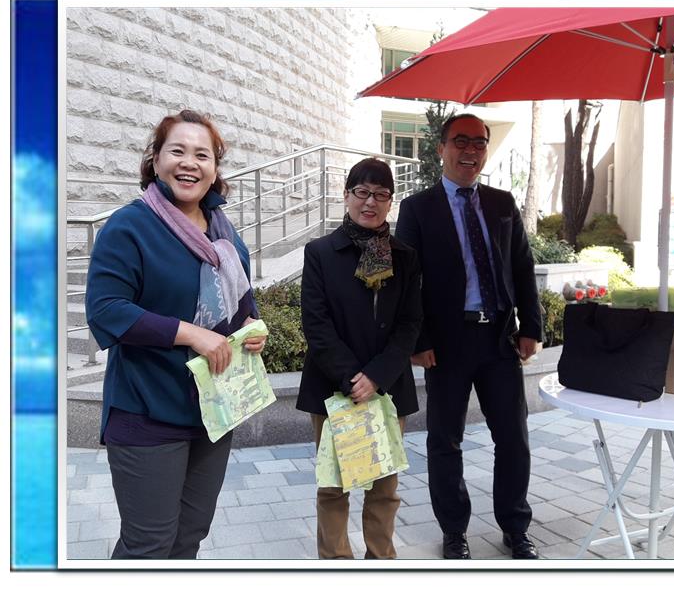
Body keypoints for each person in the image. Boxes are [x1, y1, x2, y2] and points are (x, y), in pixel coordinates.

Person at [85, 109, 266, 559]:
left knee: (189, 539)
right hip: (147, 410)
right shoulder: (131, 226)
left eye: (202, 155)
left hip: (214, 411)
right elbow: (106, 310)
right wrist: (191, 334)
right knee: (148, 546)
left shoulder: (224, 231)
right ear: (156, 160)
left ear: (215, 168)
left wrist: (250, 325)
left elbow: (242, 298)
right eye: (177, 151)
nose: (189, 163)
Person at [395, 114, 542, 560]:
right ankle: (454, 531)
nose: (471, 151)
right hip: (446, 343)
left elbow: (522, 266)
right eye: (461, 141)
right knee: (445, 441)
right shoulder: (418, 208)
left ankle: (515, 528)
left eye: (480, 143)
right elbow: (407, 280)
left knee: (513, 438)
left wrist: (531, 327)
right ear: (441, 148)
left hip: (498, 339)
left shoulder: (502, 202)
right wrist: (418, 339)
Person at [297, 158, 422, 559]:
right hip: (334, 387)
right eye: (362, 192)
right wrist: (354, 377)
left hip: (387, 387)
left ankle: (380, 563)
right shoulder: (320, 252)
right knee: (334, 486)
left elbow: (410, 323)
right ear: (346, 195)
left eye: (381, 194)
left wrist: (376, 376)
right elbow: (316, 323)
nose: (371, 202)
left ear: (390, 201)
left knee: (385, 487)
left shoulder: (405, 257)